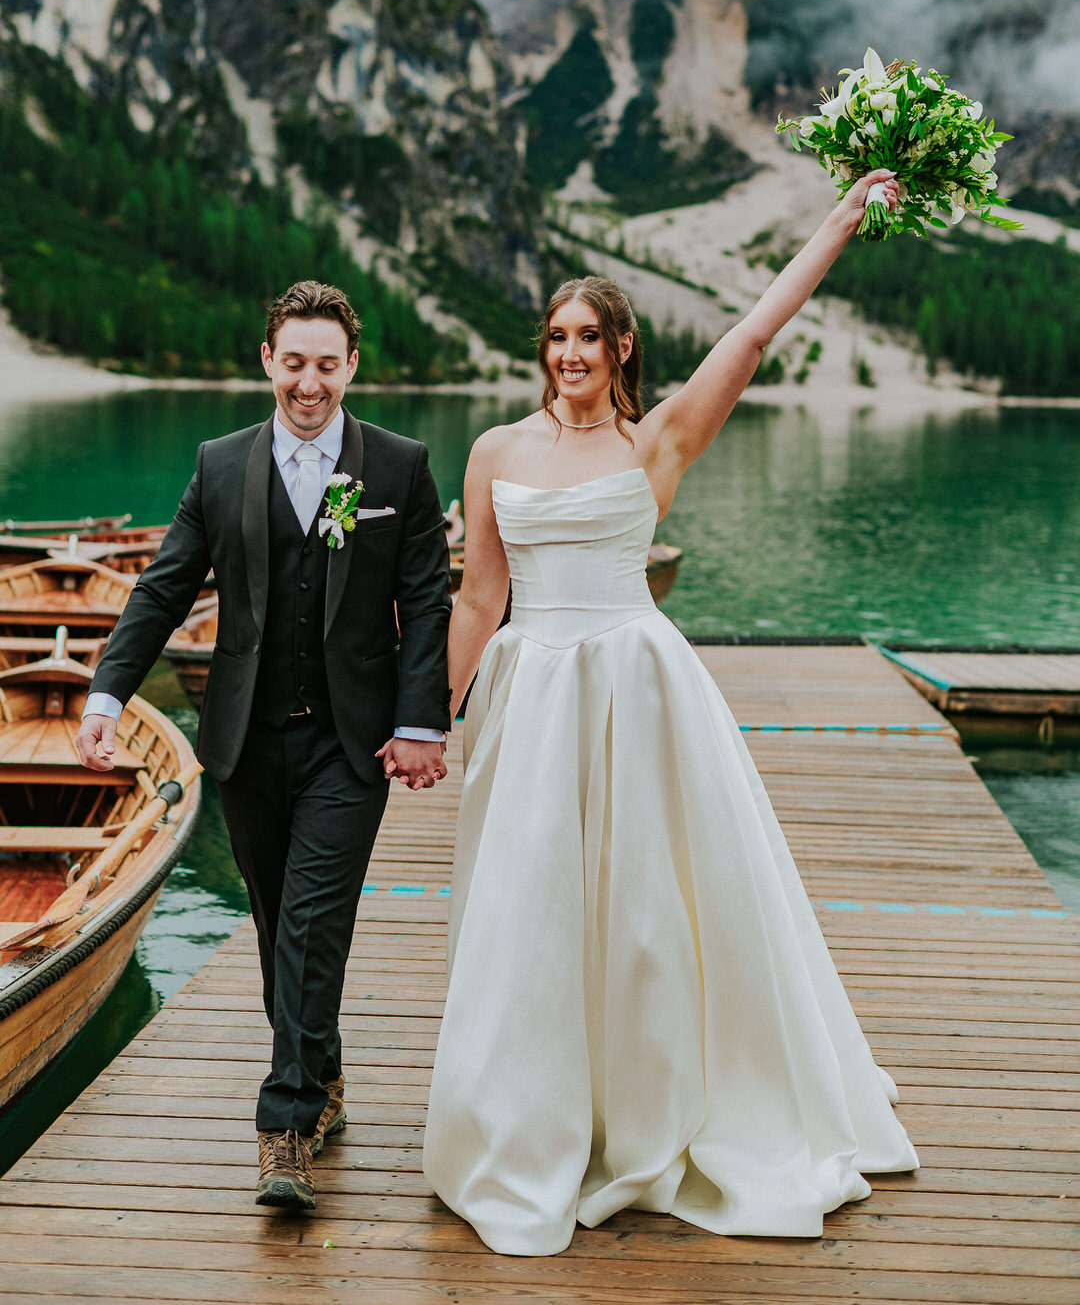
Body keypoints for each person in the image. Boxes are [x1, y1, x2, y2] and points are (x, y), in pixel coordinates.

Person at [424, 170, 920, 1256]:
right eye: (557, 336)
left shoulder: (657, 442)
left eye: (589, 338)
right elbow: (478, 598)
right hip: (530, 694)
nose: (570, 354)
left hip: (638, 691)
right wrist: (430, 716)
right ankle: (528, 1115)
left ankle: (654, 1107)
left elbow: (753, 333)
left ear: (621, 349)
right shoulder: (495, 451)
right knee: (530, 908)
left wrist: (838, 220)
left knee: (646, 909)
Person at [76, 280, 452, 1212]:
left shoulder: (397, 466)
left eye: (327, 364)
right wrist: (107, 692)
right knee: (279, 920)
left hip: (350, 745)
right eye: (294, 362)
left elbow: (426, 600)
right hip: (245, 740)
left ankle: (283, 1125)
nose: (309, 382)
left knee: (313, 922)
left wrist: (420, 721)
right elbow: (163, 588)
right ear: (267, 361)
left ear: (351, 366)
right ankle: (322, 1072)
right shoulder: (219, 464)